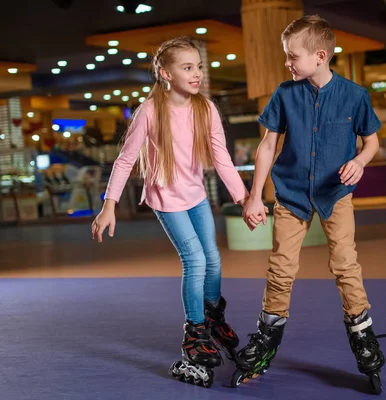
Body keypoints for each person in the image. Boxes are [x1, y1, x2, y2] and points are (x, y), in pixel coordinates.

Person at [232, 15, 386, 392]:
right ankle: (267, 339)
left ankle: (363, 337)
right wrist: (254, 196)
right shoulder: (284, 94)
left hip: (336, 195)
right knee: (281, 269)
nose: (288, 63)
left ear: (320, 56)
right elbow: (268, 145)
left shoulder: (355, 95)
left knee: (345, 265)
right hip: (292, 195)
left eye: (292, 56)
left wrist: (360, 161)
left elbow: (372, 142)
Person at [91, 36, 248, 387]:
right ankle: (195, 333)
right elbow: (126, 159)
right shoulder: (150, 110)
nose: (197, 74)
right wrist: (108, 206)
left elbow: (222, 158)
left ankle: (212, 317)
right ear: (165, 73)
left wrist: (243, 198)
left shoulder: (205, 108)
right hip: (165, 198)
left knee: (214, 258)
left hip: (195, 195)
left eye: (199, 67)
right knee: (194, 260)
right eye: (187, 67)